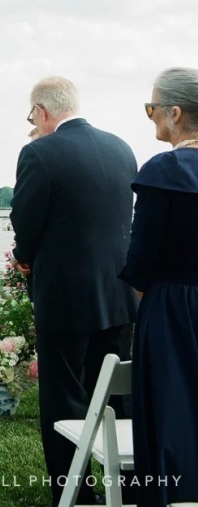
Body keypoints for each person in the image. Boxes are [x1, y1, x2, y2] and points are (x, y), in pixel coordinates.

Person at [10, 77, 138, 506]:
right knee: (115, 398)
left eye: (32, 116)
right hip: (118, 296)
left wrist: (23, 255)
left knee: (65, 398)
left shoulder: (39, 152)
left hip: (65, 299)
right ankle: (125, 487)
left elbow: (25, 220)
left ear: (43, 111)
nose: (34, 124)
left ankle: (76, 495)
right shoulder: (122, 149)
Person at [119, 67, 198, 507]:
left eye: (151, 108)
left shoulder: (165, 170)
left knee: (171, 413)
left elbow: (140, 262)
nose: (150, 116)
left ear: (175, 111)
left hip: (173, 307)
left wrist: (149, 296)